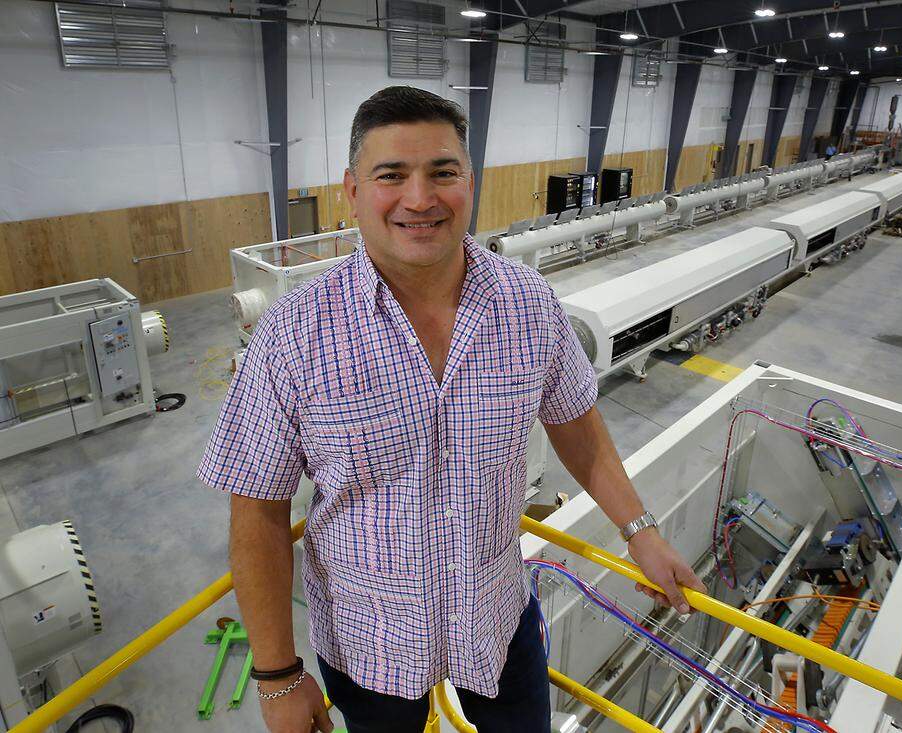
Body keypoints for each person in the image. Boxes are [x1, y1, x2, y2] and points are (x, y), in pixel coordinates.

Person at [198, 86, 706, 733]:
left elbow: (578, 424)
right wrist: (275, 676)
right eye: (392, 176)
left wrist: (643, 531)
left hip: (497, 617)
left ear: (471, 181)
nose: (420, 198)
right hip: (367, 644)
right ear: (352, 192)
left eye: (443, 172)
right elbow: (258, 511)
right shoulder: (294, 333)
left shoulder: (527, 302)